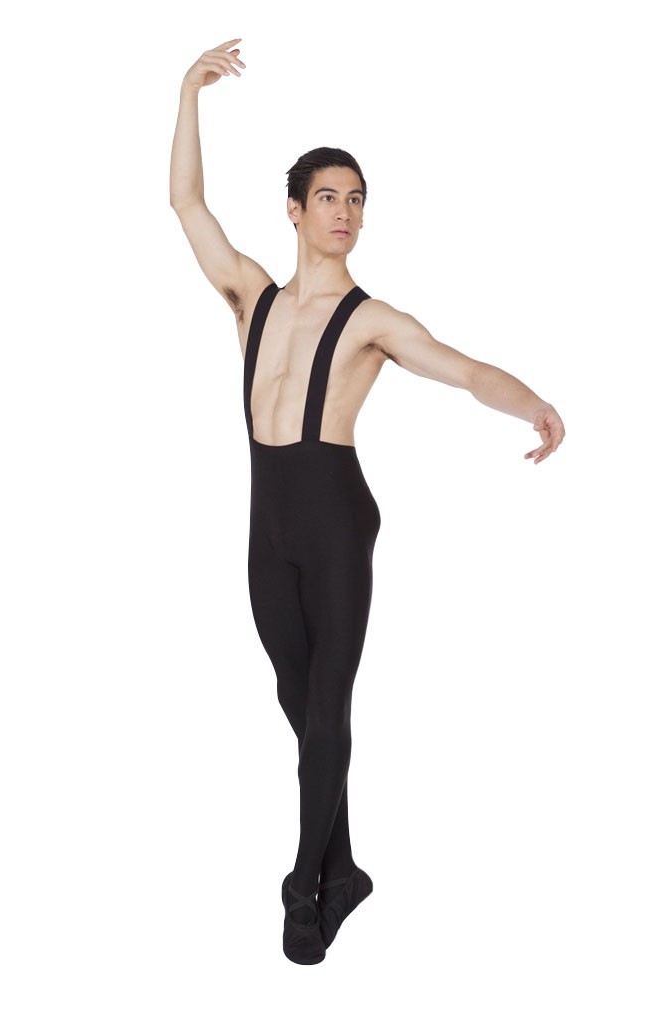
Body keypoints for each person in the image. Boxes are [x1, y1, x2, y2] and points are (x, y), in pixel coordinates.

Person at [169, 38, 566, 965]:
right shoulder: (251, 297)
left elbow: (464, 368)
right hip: (268, 525)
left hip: (337, 523)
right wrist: (188, 90)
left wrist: (534, 403)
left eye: (357, 200)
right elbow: (186, 204)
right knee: (298, 703)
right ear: (295, 210)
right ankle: (346, 868)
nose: (346, 213)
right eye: (329, 198)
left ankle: (305, 888)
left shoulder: (373, 321)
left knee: (329, 707)